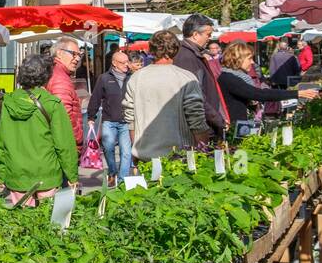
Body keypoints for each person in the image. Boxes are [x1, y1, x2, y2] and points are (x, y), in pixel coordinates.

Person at [0, 54, 78, 207]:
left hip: (16, 172)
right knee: (47, 222)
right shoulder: (52, 103)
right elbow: (64, 144)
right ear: (46, 76)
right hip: (47, 172)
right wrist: (72, 176)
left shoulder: (8, 102)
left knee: (23, 223)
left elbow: (1, 142)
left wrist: (1, 176)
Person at [124, 30, 211, 160]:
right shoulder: (186, 78)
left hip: (145, 154)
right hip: (179, 157)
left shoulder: (136, 78)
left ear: (151, 49)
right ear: (176, 49)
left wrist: (135, 149)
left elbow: (131, 119)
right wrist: (203, 150)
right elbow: (196, 119)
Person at [217, 42, 317, 128]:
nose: (252, 62)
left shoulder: (235, 76)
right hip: (235, 127)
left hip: (240, 124)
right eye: (249, 58)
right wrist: (296, 93)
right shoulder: (229, 78)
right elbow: (259, 94)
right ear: (237, 59)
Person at [173, 14, 227, 139]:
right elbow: (195, 94)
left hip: (203, 122)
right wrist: (216, 118)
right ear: (196, 35)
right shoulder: (186, 56)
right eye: (208, 35)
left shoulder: (191, 53)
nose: (209, 38)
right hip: (199, 127)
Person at [87, 47, 133, 186]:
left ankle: (122, 180)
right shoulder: (105, 78)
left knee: (126, 152)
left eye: (127, 62)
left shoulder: (131, 78)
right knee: (108, 148)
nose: (126, 65)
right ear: (114, 63)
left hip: (126, 121)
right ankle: (112, 172)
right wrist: (91, 116)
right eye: (122, 62)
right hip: (109, 120)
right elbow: (95, 98)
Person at [45, 35, 84, 146]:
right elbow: (64, 115)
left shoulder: (57, 72)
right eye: (74, 54)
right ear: (59, 53)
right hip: (66, 145)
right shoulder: (60, 78)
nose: (77, 59)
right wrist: (78, 137)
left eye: (79, 55)